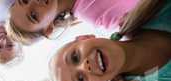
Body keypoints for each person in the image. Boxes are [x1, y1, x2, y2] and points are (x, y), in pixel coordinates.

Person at [49, 0, 171, 81]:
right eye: (81, 78)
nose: (85, 66)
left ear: (84, 38)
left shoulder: (150, 11)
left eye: (75, 57)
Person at [7, 0, 139, 45]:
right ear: (48, 28)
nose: (33, 1)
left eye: (24, 0)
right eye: (33, 15)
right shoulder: (99, 15)